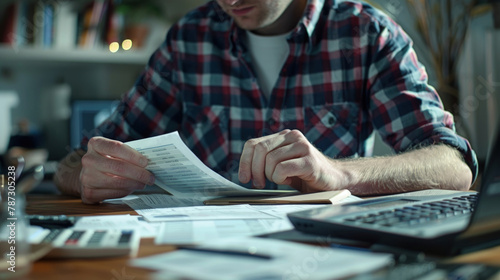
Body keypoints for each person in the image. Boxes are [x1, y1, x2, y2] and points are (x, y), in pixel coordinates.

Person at [55, 0, 477, 204]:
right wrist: (87, 175)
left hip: (330, 257)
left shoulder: (366, 34)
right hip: (204, 260)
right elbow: (79, 161)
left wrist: (338, 172)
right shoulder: (190, 39)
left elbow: (453, 166)